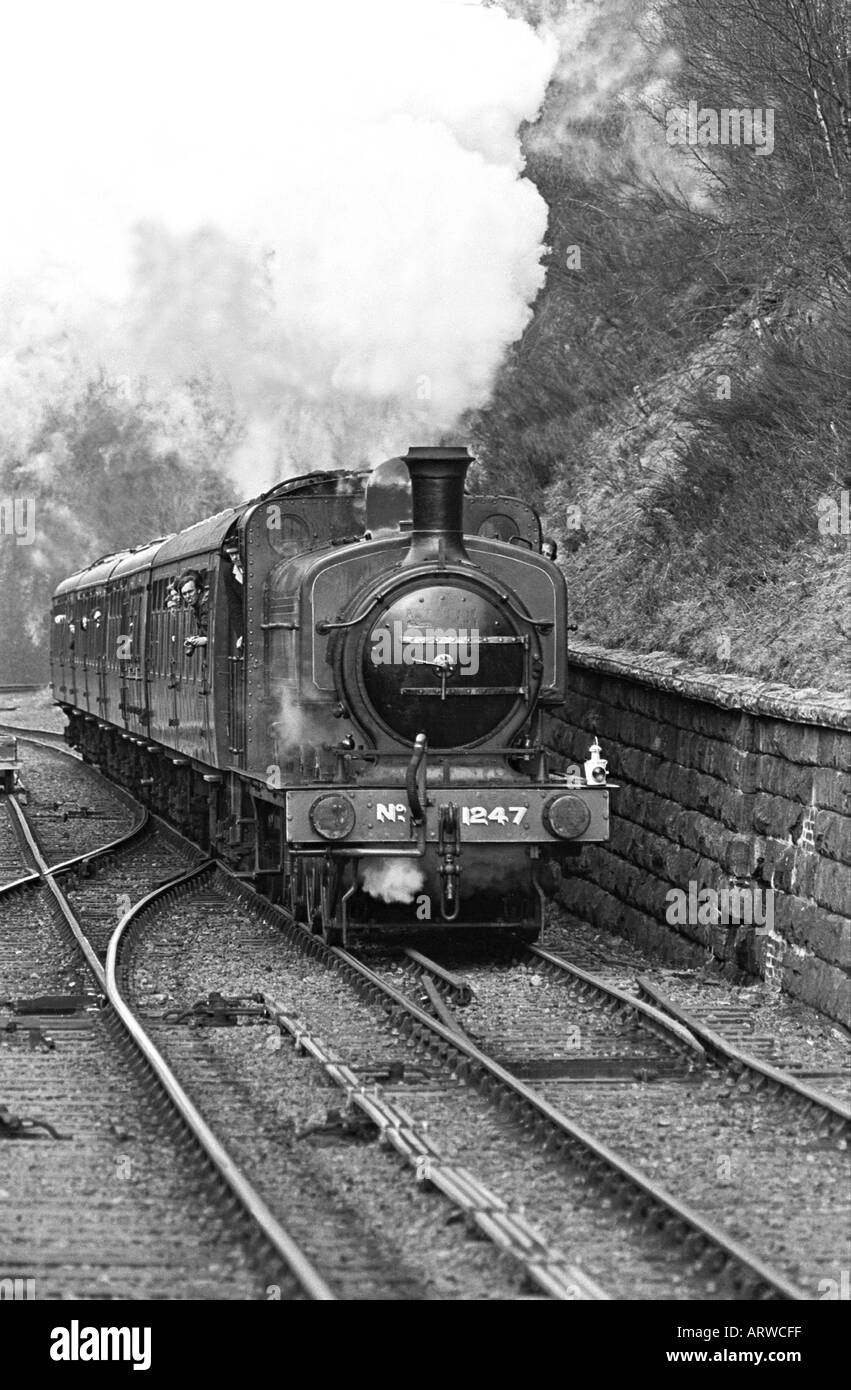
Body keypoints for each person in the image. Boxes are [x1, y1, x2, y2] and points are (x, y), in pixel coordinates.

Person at [177, 570, 208, 651]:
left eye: (190, 592)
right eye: (184, 594)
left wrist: (206, 639)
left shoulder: (205, 605)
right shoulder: (197, 607)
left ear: (198, 590)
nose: (188, 596)